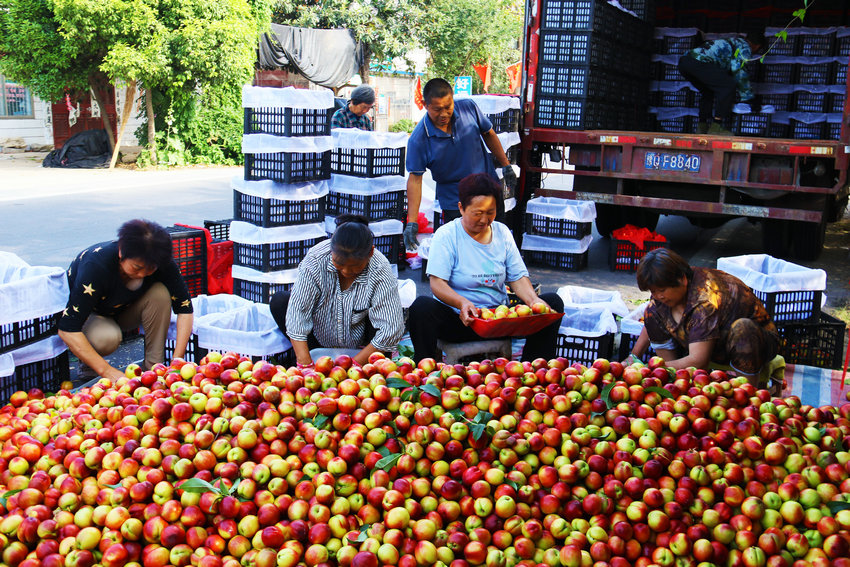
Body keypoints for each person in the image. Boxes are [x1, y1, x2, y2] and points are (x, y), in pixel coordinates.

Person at [408, 173, 563, 362]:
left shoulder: (502, 233)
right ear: (461, 208)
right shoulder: (447, 235)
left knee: (552, 302)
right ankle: (425, 372)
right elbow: (437, 283)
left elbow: (517, 278)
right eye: (477, 213)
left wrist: (533, 302)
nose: (484, 219)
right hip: (461, 322)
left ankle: (535, 371)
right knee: (422, 308)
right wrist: (462, 303)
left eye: (490, 212)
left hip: (498, 322)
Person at [57, 219, 194, 382]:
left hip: (124, 310)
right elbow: (67, 329)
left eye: (150, 269)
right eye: (137, 267)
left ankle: (154, 368)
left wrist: (177, 363)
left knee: (160, 293)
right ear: (121, 252)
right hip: (91, 316)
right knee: (107, 338)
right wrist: (108, 371)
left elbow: (185, 310)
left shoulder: (161, 261)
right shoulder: (96, 265)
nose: (143, 274)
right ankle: (89, 369)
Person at [269, 214, 405, 367]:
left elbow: (391, 328)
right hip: (319, 336)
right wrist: (305, 365)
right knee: (280, 301)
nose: (346, 271)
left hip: (364, 343)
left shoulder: (379, 267)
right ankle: (314, 356)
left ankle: (368, 363)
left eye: (355, 268)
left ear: (370, 253)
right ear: (331, 248)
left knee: (384, 318)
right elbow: (298, 314)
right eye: (339, 264)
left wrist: (352, 367)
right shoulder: (316, 259)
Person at [629, 248, 780, 383]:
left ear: (682, 279)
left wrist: (651, 368)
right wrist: (633, 358)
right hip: (708, 341)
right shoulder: (662, 298)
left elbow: (699, 360)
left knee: (744, 330)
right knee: (652, 310)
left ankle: (750, 393)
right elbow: (651, 322)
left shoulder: (704, 299)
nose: (658, 296)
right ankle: (675, 384)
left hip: (756, 342)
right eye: (653, 291)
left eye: (661, 290)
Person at [403, 78, 516, 251]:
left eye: (448, 107)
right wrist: (412, 222)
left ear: (452, 99)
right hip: (455, 202)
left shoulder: (468, 108)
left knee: (497, 243)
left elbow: (489, 133)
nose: (444, 114)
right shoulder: (419, 139)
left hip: (488, 191)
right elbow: (415, 180)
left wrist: (505, 164)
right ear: (426, 106)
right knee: (463, 250)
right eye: (437, 109)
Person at [677, 31, 763, 135]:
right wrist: (749, 98)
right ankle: (716, 127)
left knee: (708, 91)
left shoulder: (733, 41)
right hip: (700, 63)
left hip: (685, 62)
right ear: (757, 46)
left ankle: (702, 126)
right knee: (728, 85)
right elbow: (739, 71)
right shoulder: (745, 47)